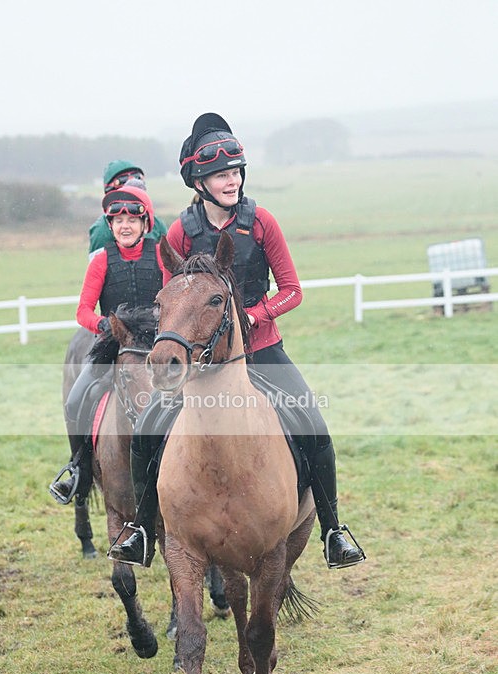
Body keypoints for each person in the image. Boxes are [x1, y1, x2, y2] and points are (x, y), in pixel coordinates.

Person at [108, 113, 366, 571]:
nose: (231, 181)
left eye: (235, 172)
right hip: (200, 363)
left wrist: (250, 315)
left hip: (261, 351)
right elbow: (171, 298)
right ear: (199, 182)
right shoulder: (180, 232)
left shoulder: (262, 221)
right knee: (148, 427)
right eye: (219, 175)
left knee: (314, 427)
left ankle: (333, 531)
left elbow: (292, 290)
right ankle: (143, 531)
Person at [49, 181, 164, 506]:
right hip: (113, 347)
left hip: (156, 346)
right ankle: (79, 470)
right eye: (117, 220)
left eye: (131, 219)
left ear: (145, 223)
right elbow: (83, 311)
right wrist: (104, 326)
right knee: (74, 401)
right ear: (110, 225)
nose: (124, 226)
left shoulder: (160, 255)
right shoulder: (101, 260)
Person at [88, 160, 168, 258]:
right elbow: (97, 267)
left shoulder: (157, 224)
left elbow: (169, 263)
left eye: (137, 178)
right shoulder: (101, 230)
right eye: (123, 181)